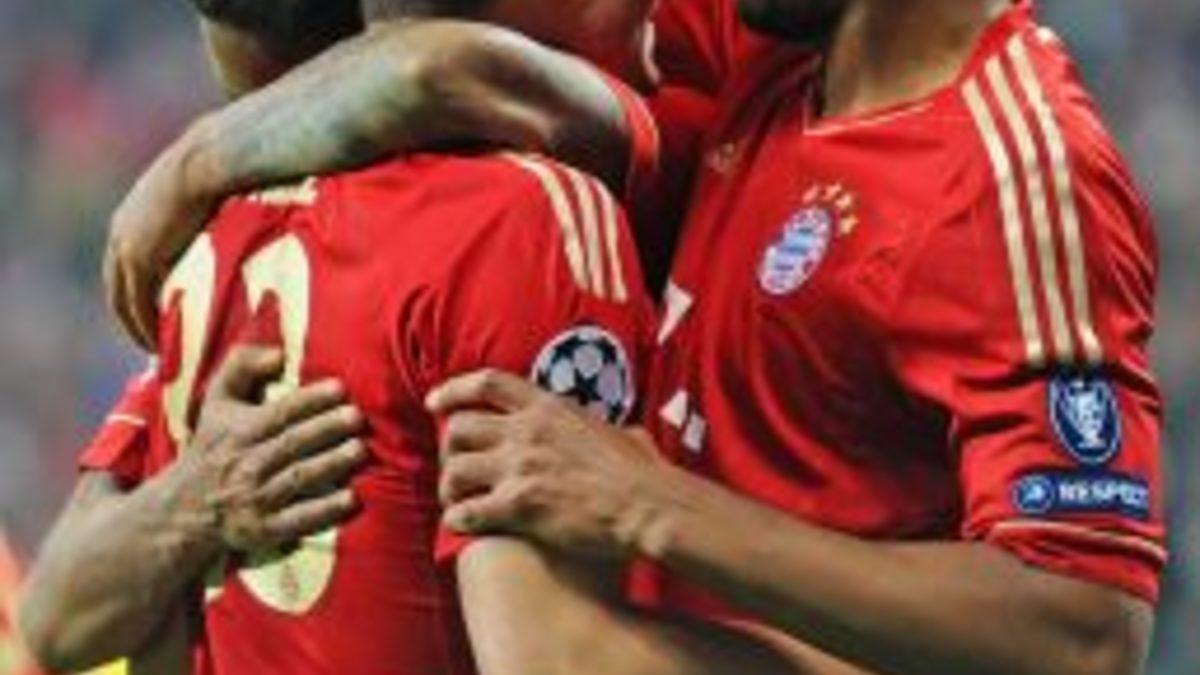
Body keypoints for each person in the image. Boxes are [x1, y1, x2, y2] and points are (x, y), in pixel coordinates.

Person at [98, 0, 1165, 674]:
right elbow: (446, 59)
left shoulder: (1017, 173)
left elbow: (1085, 629)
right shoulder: (769, 41)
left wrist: (653, 504)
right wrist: (203, 158)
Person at [23, 1, 856, 674]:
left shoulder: (218, 247)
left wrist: (194, 158)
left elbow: (58, 623)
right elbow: (548, 652)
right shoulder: (528, 213)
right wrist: (194, 501)